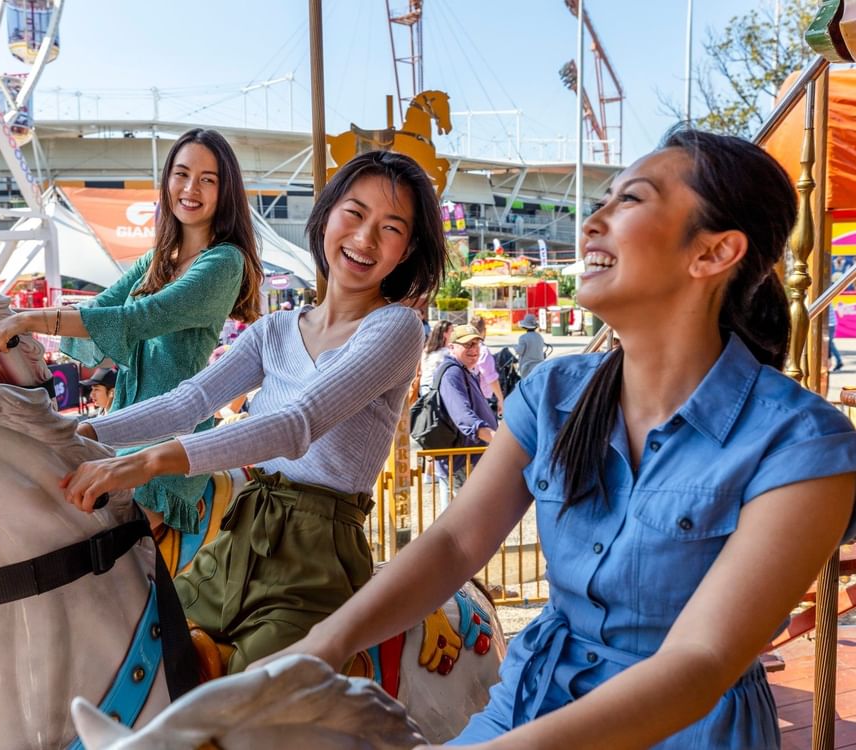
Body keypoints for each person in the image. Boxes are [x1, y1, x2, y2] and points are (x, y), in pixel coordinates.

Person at [257, 129, 856, 748]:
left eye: (630, 201)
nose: (593, 221)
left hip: (681, 730)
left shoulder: (802, 445)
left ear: (712, 253)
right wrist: (322, 645)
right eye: (605, 199)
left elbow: (700, 662)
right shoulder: (553, 393)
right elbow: (456, 544)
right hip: (527, 699)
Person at [61, 150, 448, 673]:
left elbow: (298, 424)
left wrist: (146, 462)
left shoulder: (396, 328)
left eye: (391, 227)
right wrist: (79, 430)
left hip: (317, 554)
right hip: (241, 531)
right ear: (328, 215)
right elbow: (187, 401)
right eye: (354, 214)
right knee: (142, 653)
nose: (365, 238)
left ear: (407, 251)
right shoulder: (275, 330)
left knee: (251, 697)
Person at [0, 128, 264, 534]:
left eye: (207, 179)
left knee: (105, 548)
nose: (190, 188)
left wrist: (26, 320)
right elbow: (97, 308)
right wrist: (7, 315)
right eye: (181, 174)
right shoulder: (159, 258)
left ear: (224, 190)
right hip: (123, 424)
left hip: (170, 438)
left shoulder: (223, 263)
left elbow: (134, 319)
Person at [433, 324, 497, 510]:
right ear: (452, 346)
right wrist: (498, 440)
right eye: (467, 345)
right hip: (462, 462)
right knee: (473, 519)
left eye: (477, 344)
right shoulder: (452, 372)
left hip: (467, 460)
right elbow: (464, 418)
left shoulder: (464, 370)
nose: (474, 349)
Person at [470, 315, 505, 416]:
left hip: (469, 397)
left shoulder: (465, 348)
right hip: (483, 399)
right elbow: (491, 379)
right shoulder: (483, 350)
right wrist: (500, 399)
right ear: (484, 330)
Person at [417, 320, 453, 396]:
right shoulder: (446, 353)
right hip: (435, 389)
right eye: (452, 331)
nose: (454, 333)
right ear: (445, 334)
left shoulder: (427, 350)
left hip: (424, 385)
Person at [516, 312, 546, 378]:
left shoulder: (523, 337)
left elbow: (519, 351)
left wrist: (515, 348)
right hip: (539, 365)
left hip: (527, 367)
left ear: (525, 326)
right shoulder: (539, 336)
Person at [829, 303, 844, 372]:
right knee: (829, 344)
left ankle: (838, 361)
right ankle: (838, 361)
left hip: (829, 324)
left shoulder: (823, 298)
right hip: (830, 324)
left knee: (829, 344)